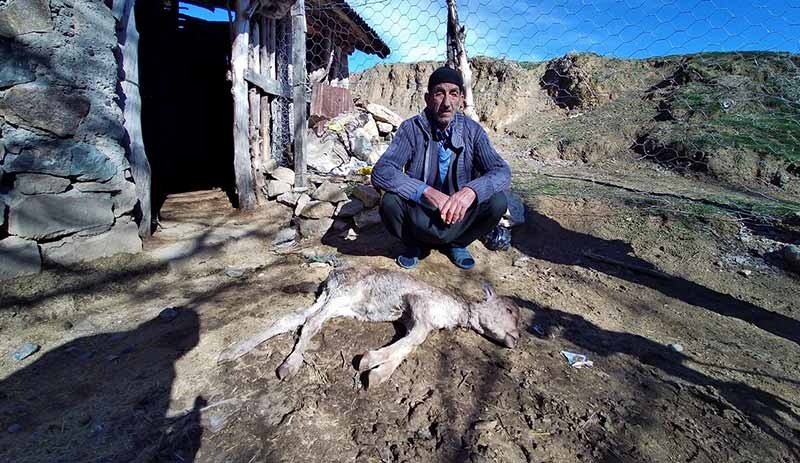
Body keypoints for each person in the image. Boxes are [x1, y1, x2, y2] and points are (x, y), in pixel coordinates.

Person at [371, 66, 511, 270]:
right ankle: (413, 245)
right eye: (439, 93)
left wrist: (470, 192)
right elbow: (382, 171)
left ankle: (457, 244)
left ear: (461, 99)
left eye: (453, 94)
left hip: (459, 215)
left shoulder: (473, 131)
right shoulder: (411, 128)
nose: (446, 103)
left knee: (498, 202)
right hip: (421, 212)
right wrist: (426, 192)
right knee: (390, 202)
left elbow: (502, 172)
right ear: (428, 98)